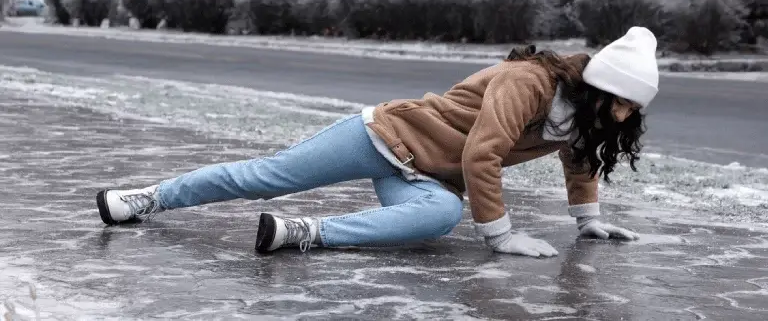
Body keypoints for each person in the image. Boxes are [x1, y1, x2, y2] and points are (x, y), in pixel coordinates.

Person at [95, 26, 659, 258]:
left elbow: (581, 155)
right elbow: (482, 153)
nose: (622, 113)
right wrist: (501, 236)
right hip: (385, 134)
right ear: (592, 85)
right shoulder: (528, 82)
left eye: (632, 107)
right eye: (618, 100)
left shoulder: (586, 115)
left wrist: (587, 218)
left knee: (438, 218)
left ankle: (302, 233)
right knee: (264, 176)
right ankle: (146, 197)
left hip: (427, 176)